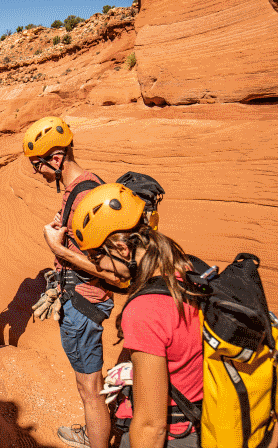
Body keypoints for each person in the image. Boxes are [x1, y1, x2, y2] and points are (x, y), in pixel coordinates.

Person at [70, 183, 203, 448]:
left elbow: (151, 426)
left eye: (97, 257)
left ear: (121, 250)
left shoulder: (145, 310)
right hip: (199, 424)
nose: (98, 267)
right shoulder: (184, 271)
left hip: (173, 437)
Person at [23, 116, 123, 448]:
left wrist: (55, 248)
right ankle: (93, 430)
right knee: (90, 385)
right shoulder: (82, 188)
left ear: (56, 158)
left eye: (39, 166)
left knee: (89, 390)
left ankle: (96, 439)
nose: (39, 173)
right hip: (80, 298)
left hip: (85, 302)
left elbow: (111, 270)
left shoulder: (85, 194)